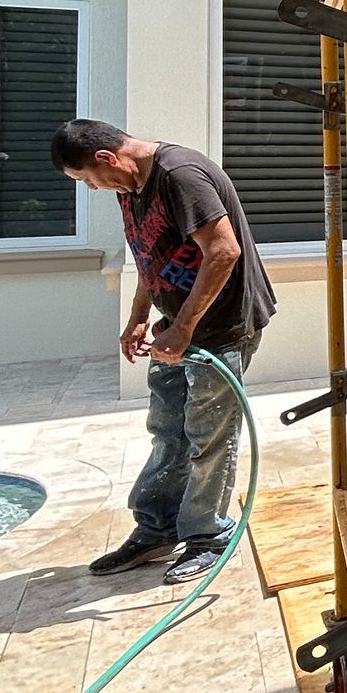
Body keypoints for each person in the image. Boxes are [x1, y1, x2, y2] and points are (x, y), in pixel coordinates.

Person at [50, 120, 276, 585]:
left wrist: (184, 327)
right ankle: (158, 528)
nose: (92, 188)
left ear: (106, 158)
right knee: (168, 430)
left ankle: (208, 536)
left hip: (220, 327)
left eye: (87, 179)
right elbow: (149, 256)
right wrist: (138, 316)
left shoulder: (180, 175)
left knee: (208, 437)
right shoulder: (130, 187)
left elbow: (223, 251)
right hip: (175, 329)